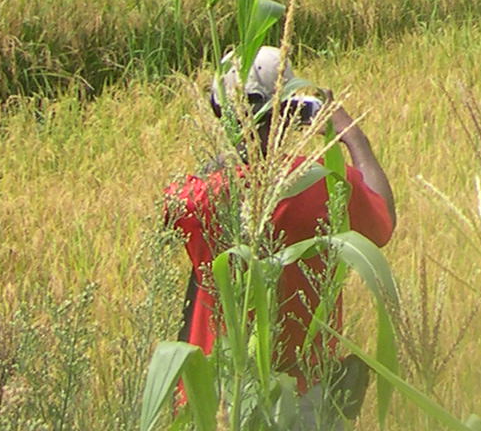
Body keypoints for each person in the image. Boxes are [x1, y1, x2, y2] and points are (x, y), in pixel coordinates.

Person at [168, 46, 396, 423]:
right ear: (290, 110)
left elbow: (171, 214)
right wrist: (355, 139)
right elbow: (383, 219)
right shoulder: (325, 185)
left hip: (220, 399)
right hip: (304, 400)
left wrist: (225, 158)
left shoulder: (199, 197)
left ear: (219, 110)